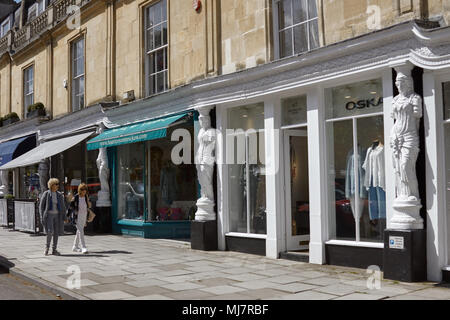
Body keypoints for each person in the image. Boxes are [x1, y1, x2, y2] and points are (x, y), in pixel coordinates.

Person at [39, 178, 66, 256]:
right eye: (56, 184)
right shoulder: (46, 194)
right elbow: (41, 206)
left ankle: (54, 249)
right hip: (49, 216)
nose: (57, 186)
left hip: (57, 216)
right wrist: (41, 216)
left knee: (56, 233)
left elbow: (63, 206)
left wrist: (64, 216)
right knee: (50, 232)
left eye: (58, 184)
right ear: (51, 185)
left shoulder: (59, 194)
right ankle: (47, 248)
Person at [69, 183, 91, 254]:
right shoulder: (76, 197)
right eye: (82, 189)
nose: (84, 191)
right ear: (79, 190)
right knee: (81, 231)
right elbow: (70, 207)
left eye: (85, 189)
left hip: (84, 216)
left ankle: (75, 247)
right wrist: (66, 216)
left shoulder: (86, 197)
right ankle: (83, 247)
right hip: (77, 217)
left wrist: (88, 202)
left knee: (79, 231)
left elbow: (88, 206)